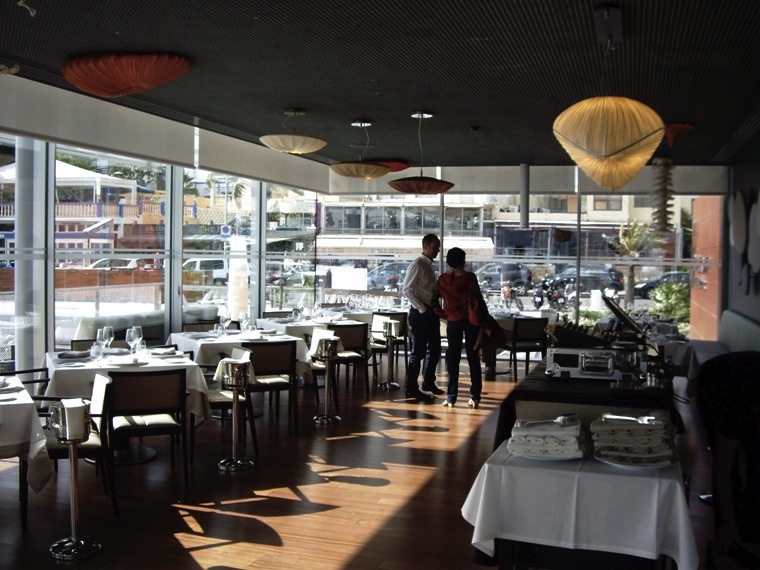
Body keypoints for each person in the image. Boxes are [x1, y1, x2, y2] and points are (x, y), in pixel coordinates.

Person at [431, 247, 483, 408]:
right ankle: (475, 396)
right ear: (463, 261)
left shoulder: (443, 280)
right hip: (471, 321)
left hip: (453, 321)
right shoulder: (470, 278)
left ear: (449, 262)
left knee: (453, 359)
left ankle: (451, 397)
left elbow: (433, 299)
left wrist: (441, 313)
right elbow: (479, 299)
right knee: (473, 358)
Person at [402, 234, 445, 399]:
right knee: (418, 352)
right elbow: (407, 289)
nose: (438, 250)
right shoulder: (417, 265)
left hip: (429, 311)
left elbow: (426, 290)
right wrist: (422, 308)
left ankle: (428, 382)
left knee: (434, 350)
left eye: (438, 247)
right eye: (435, 247)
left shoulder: (427, 265)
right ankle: (411, 388)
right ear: (425, 246)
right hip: (421, 313)